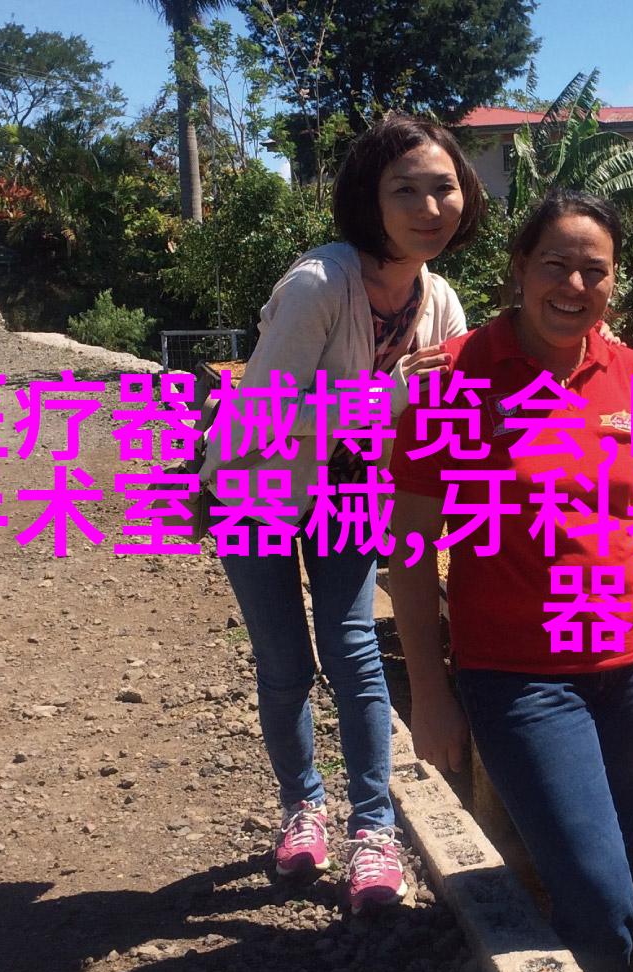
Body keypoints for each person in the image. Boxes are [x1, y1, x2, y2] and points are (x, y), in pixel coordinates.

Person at [388, 190, 633, 972]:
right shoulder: (454, 377)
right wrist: (429, 691)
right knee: (602, 895)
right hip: (520, 679)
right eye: (556, 265)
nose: (574, 285)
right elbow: (411, 552)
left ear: (614, 281)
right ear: (520, 269)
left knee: (599, 866)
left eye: (595, 270)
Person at [198, 114, 484, 913]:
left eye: (444, 189)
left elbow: (454, 412)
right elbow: (258, 419)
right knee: (285, 662)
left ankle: (374, 829)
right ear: (369, 199)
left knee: (355, 651)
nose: (429, 208)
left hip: (347, 489)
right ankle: (302, 807)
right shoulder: (319, 285)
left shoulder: (441, 301)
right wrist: (391, 396)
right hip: (255, 487)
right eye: (406, 191)